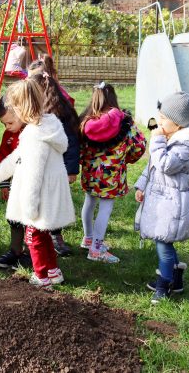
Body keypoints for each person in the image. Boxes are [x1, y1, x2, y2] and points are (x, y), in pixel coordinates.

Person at [0, 77, 76, 289]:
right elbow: (18, 156)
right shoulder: (47, 125)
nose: (9, 124)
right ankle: (53, 271)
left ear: (21, 108)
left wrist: (30, 208)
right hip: (48, 193)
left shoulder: (34, 135)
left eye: (11, 115)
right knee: (44, 234)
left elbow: (33, 173)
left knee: (33, 236)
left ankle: (41, 277)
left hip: (39, 196)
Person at [134, 92, 189, 304]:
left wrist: (157, 139)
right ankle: (176, 281)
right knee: (164, 240)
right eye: (158, 116)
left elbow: (165, 165)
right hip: (163, 201)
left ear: (178, 125)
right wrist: (142, 185)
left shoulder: (185, 148)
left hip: (173, 205)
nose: (158, 122)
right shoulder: (171, 138)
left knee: (163, 244)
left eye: (163, 120)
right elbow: (152, 165)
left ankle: (164, 285)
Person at [79, 81, 147, 263]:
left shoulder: (84, 122)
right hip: (111, 177)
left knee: (89, 201)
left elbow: (77, 149)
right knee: (105, 207)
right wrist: (129, 158)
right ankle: (96, 249)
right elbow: (139, 145)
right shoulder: (124, 122)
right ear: (113, 98)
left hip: (90, 174)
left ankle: (88, 238)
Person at [27, 58, 80, 257]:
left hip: (55, 168)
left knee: (52, 203)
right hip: (38, 167)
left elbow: (72, 141)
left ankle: (55, 236)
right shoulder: (33, 108)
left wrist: (71, 169)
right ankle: (36, 237)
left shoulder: (60, 109)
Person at [0, 96, 32, 270]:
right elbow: (3, 158)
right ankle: (15, 251)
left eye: (9, 123)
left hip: (32, 184)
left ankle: (32, 254)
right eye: (4, 125)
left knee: (32, 220)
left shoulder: (34, 132)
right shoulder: (9, 134)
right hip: (16, 184)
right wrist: (4, 184)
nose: (7, 128)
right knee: (14, 217)